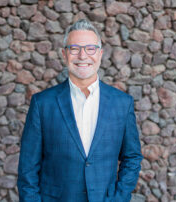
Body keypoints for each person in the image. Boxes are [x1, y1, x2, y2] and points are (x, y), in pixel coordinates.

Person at [17, 19, 143, 202]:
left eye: (90, 48)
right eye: (74, 48)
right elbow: (28, 168)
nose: (82, 56)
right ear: (64, 54)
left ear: (100, 54)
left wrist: (119, 198)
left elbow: (132, 157)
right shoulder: (42, 104)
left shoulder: (122, 103)